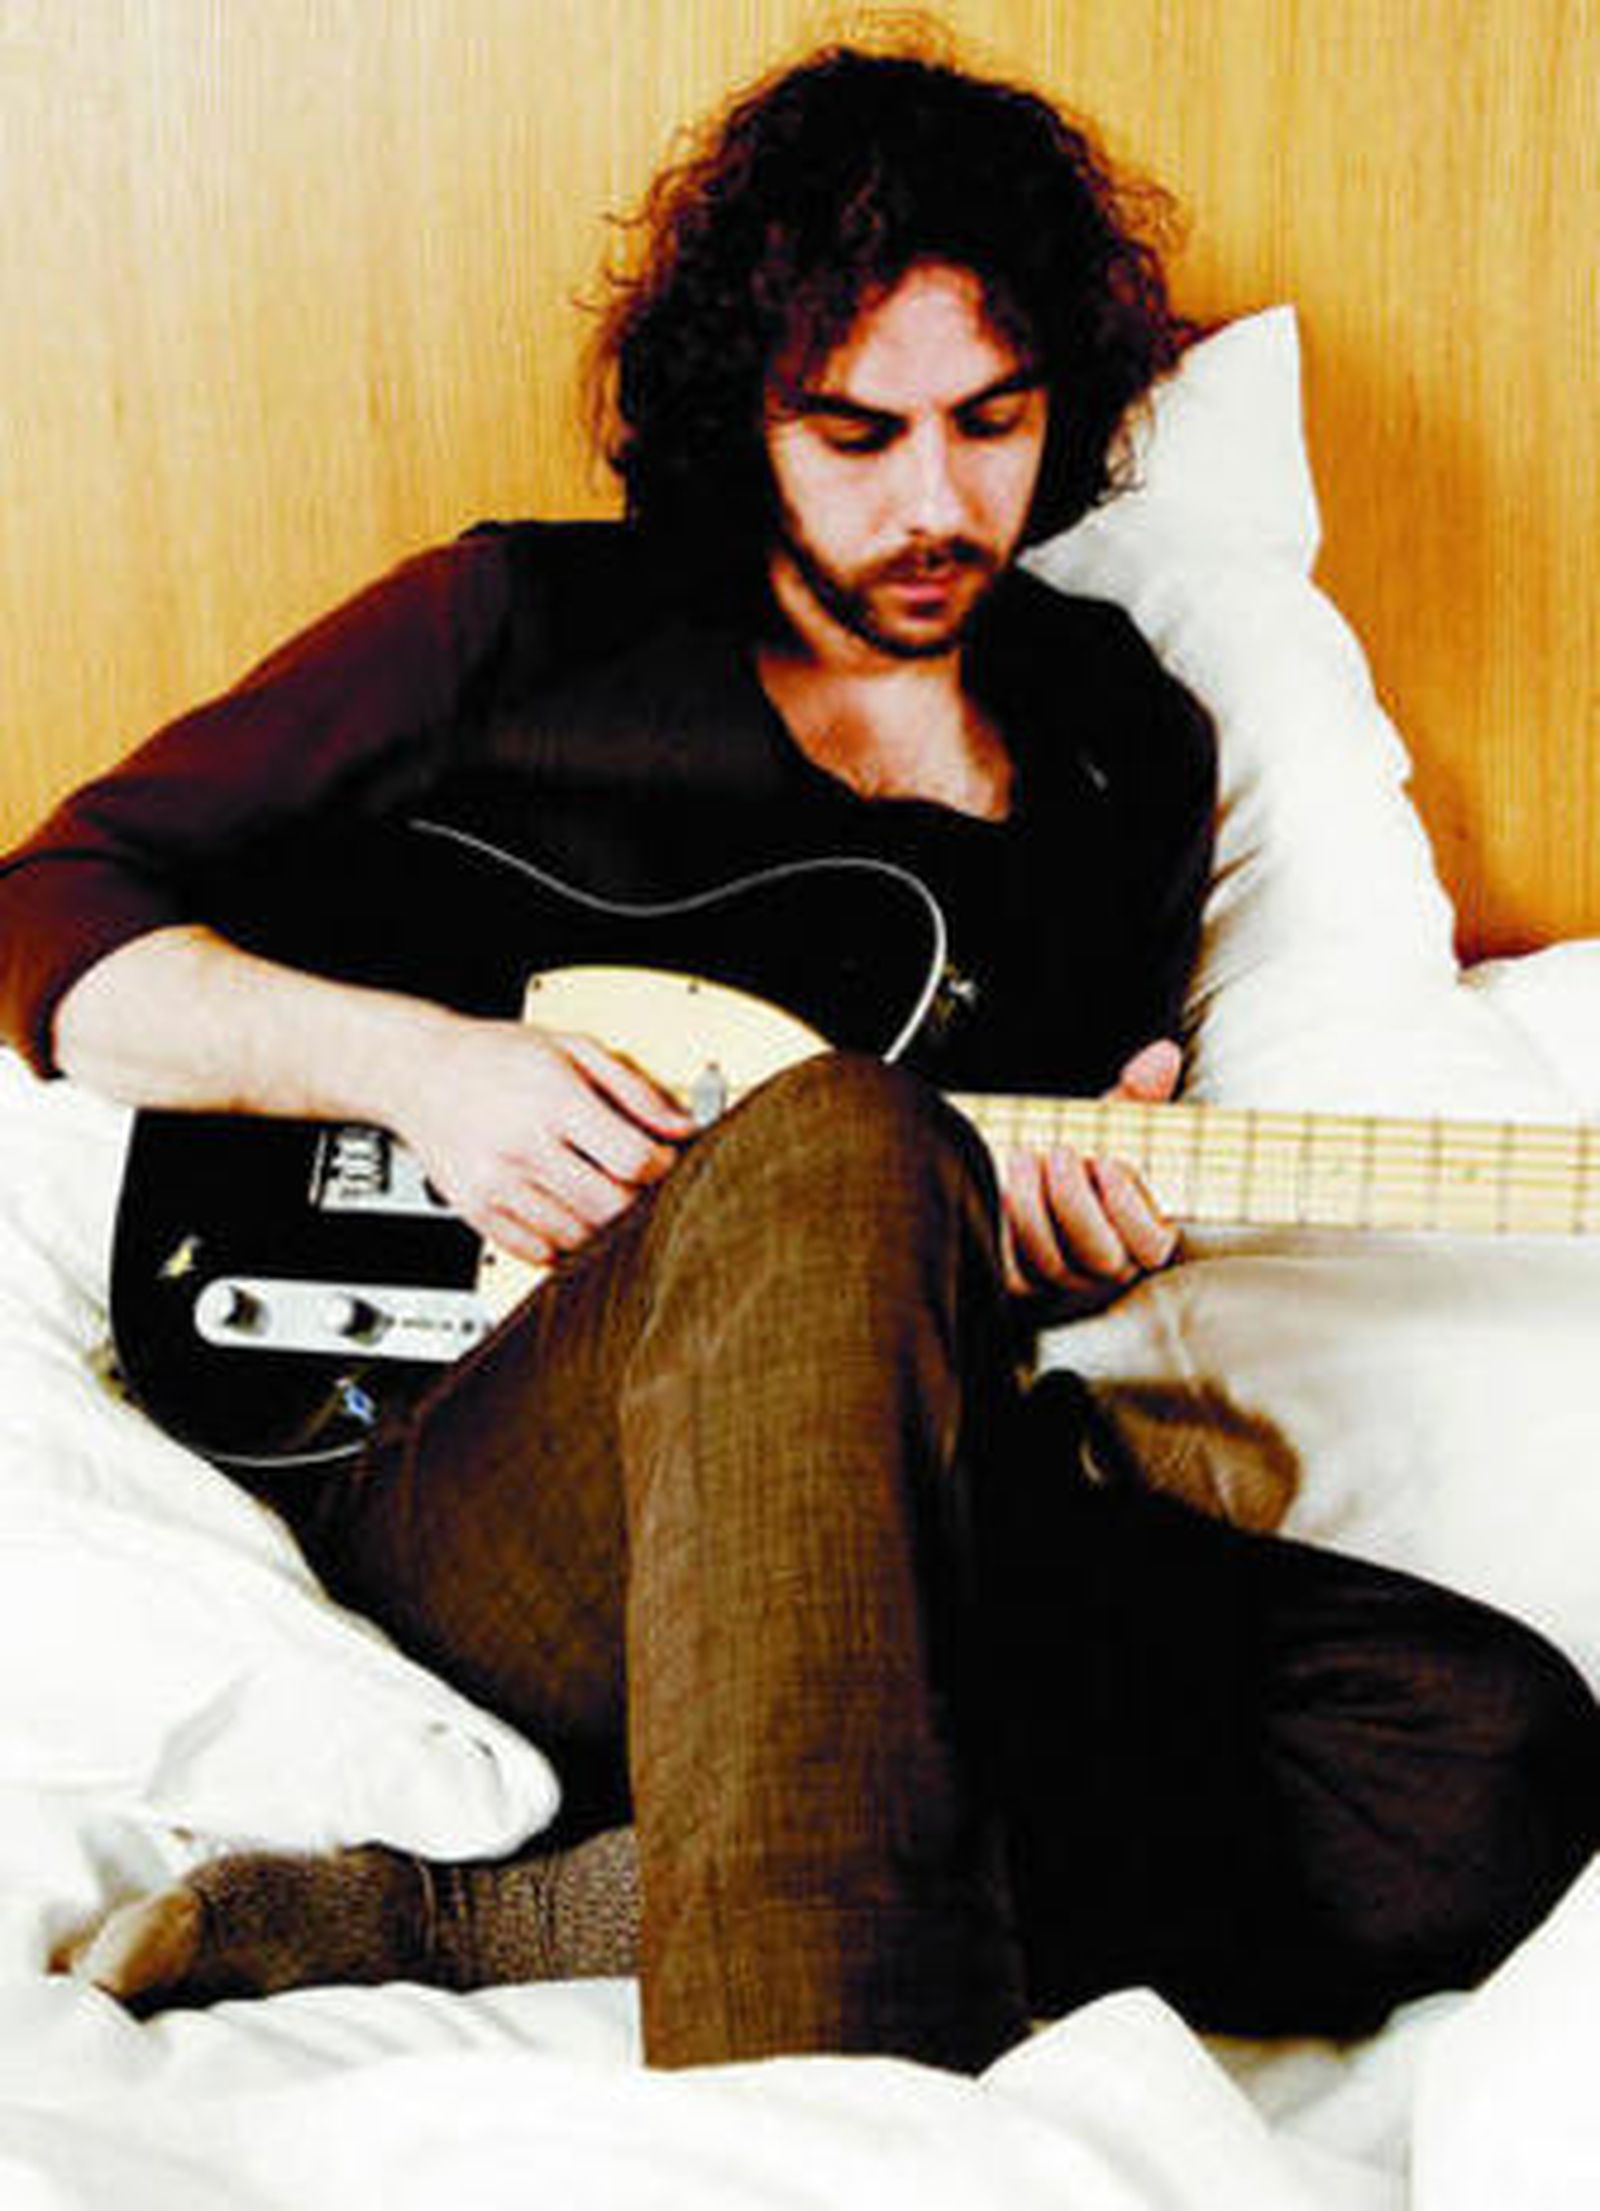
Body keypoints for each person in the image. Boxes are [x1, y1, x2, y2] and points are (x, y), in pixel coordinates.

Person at [4, 44, 1597, 2072]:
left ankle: (510, 1912)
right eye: (854, 433)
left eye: (991, 422)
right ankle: (838, 2104)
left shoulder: (1120, 745)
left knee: (1482, 1762)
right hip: (473, 1452)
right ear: (738, 415)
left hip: (884, 1472)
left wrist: (1040, 1250)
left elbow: (960, 1225)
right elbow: (48, 906)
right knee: (837, 1135)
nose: (936, 503)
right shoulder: (515, 627)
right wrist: (416, 1067)